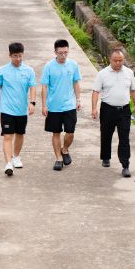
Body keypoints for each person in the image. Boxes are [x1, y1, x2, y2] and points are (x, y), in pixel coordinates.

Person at [0, 41, 37, 177]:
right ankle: (8, 163)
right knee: (8, 135)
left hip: (21, 110)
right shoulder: (2, 71)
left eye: (20, 56)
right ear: (10, 55)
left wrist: (32, 103)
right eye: (15, 56)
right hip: (6, 110)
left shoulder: (29, 71)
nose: (18, 59)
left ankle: (16, 157)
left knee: (20, 134)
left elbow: (33, 87)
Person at [91, 47, 135, 177]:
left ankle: (125, 165)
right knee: (106, 134)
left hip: (124, 110)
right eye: (115, 60)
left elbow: (134, 91)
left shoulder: (129, 73)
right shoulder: (102, 74)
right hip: (107, 109)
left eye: (121, 60)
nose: (118, 63)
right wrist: (94, 108)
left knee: (124, 138)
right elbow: (96, 91)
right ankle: (106, 157)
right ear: (110, 60)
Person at [40, 38, 82, 171]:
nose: (63, 55)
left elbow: (76, 82)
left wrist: (78, 99)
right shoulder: (49, 66)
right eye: (60, 53)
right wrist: (44, 105)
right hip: (54, 106)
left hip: (69, 105)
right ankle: (58, 158)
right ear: (55, 52)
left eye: (66, 53)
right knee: (56, 132)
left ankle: (65, 149)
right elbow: (44, 87)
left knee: (70, 132)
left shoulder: (73, 65)